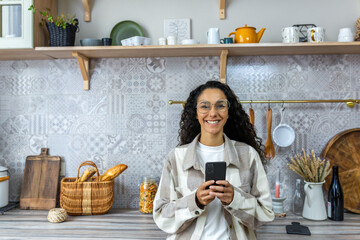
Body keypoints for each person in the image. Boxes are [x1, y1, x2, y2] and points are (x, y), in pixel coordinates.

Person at [153, 81, 274, 239]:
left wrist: (235, 199)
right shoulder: (176, 158)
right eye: (204, 106)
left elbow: (265, 213)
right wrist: (195, 201)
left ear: (228, 112)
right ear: (195, 113)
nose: (213, 113)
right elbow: (161, 216)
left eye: (220, 105)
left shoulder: (248, 155)